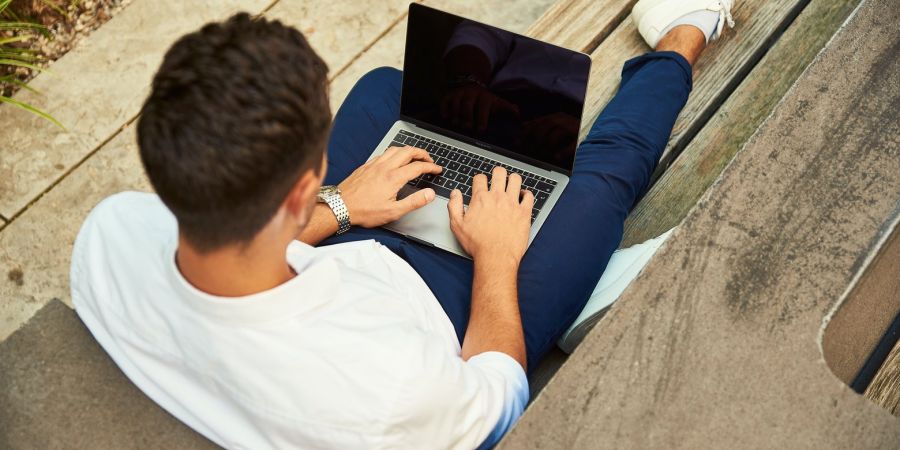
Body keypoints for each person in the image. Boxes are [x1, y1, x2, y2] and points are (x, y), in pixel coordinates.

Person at [70, 0, 735, 448]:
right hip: (456, 308)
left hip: (338, 246)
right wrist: (500, 256)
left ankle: (571, 257)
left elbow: (227, 268)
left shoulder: (110, 236)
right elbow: (499, 400)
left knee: (390, 90)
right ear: (300, 185)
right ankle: (683, 35)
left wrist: (338, 208)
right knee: (603, 175)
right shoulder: (389, 392)